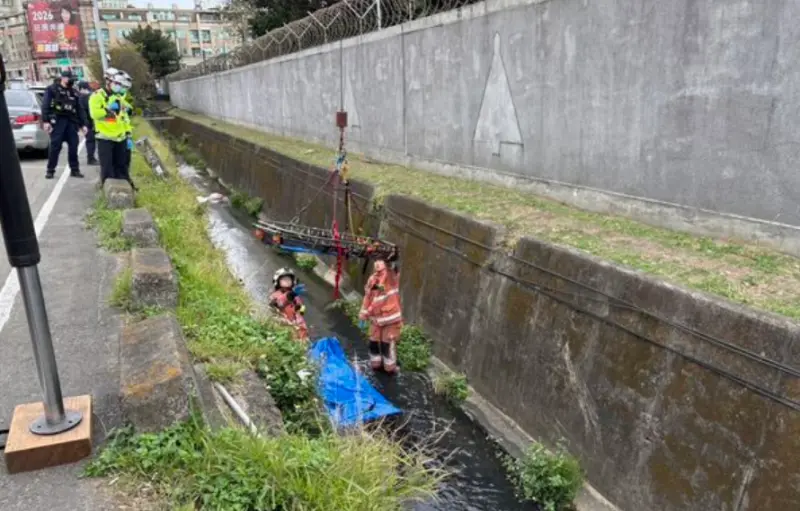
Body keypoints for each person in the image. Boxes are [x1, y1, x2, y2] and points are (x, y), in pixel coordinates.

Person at [359, 256, 403, 373]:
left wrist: (388, 261)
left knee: (386, 346)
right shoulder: (372, 279)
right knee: (373, 344)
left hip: (390, 321)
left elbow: (393, 267)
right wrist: (363, 312)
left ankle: (390, 370)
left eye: (381, 261)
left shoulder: (391, 277)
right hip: (375, 320)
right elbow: (368, 296)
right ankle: (376, 366)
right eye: (376, 260)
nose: (378, 264)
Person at [89, 67, 131, 188]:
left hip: (120, 138)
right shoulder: (97, 96)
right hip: (105, 137)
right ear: (108, 82)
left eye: (120, 84)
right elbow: (95, 114)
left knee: (122, 166)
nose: (119, 86)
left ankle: (126, 188)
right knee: (107, 168)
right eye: (116, 83)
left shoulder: (118, 97)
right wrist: (109, 109)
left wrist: (127, 133)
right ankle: (109, 192)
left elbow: (123, 117)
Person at [41, 69, 87, 179]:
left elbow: (79, 109)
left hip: (71, 122)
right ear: (63, 78)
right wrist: (46, 121)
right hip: (57, 122)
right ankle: (50, 170)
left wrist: (83, 124)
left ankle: (75, 170)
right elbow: (45, 105)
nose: (71, 81)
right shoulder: (52, 89)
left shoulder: (74, 92)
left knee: (73, 146)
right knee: (55, 147)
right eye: (69, 79)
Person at [269, 268, 309, 342]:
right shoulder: (275, 295)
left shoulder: (296, 296)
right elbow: (277, 303)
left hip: (300, 328)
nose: (287, 281)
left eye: (289, 279)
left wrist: (301, 309)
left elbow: (301, 309)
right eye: (284, 279)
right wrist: (290, 295)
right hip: (284, 329)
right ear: (277, 281)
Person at [77, 81, 97, 165]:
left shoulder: (80, 97)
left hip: (86, 122)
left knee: (90, 140)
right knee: (91, 140)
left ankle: (91, 157)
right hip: (90, 122)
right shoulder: (87, 97)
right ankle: (91, 158)